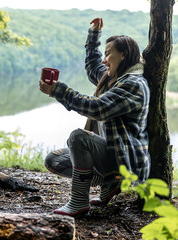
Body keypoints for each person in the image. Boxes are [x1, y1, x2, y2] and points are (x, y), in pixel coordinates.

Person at [39, 18, 151, 217]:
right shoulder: (113, 78)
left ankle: (79, 202)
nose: (104, 59)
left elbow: (96, 108)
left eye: (108, 54)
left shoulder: (133, 84)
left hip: (126, 162)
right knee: (54, 160)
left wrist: (59, 91)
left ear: (123, 55)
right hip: (111, 154)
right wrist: (94, 36)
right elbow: (93, 65)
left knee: (79, 137)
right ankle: (110, 185)